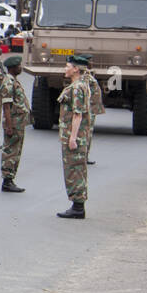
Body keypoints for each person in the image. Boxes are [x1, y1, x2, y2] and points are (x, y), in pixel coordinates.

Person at [56, 56, 92, 219]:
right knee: (77, 169)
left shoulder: (77, 88)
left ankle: (77, 207)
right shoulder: (79, 85)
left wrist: (72, 138)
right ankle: (78, 205)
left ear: (76, 69)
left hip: (75, 136)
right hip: (77, 135)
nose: (65, 69)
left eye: (67, 66)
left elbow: (78, 115)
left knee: (74, 170)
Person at [0, 54, 29, 193]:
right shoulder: (8, 82)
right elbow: (6, 106)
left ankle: (10, 179)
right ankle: (7, 180)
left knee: (16, 151)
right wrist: (9, 126)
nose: (20, 68)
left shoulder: (14, 80)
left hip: (19, 122)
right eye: (18, 66)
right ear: (12, 68)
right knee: (10, 151)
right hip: (14, 122)